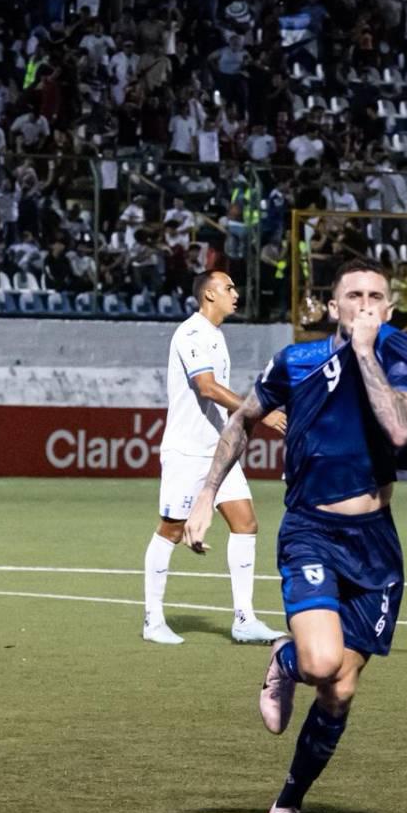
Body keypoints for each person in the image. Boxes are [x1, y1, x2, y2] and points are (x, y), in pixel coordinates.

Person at [182, 257, 407, 813]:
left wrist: (366, 352)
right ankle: (287, 658)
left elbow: (400, 429)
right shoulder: (296, 361)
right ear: (332, 306)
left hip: (376, 544)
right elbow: (243, 420)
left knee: (340, 689)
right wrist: (206, 494)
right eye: (353, 296)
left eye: (376, 296)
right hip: (311, 531)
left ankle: (287, 808)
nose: (365, 305)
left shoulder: (400, 353)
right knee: (320, 664)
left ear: (390, 308)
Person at [143, 270, 288, 647]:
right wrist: (259, 411)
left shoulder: (216, 335)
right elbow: (206, 388)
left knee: (246, 523)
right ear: (209, 294)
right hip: (187, 451)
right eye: (229, 288)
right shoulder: (191, 333)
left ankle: (244, 619)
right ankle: (153, 620)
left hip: (217, 452)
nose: (235, 293)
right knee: (172, 531)